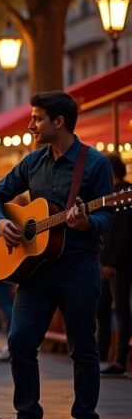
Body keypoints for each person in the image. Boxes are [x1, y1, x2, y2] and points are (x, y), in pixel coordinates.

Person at [0, 91, 113, 419]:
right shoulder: (33, 162)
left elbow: (106, 216)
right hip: (36, 272)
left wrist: (87, 222)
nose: (31, 125)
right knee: (20, 342)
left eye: (37, 118)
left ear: (59, 122)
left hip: (78, 267)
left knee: (83, 348)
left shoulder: (96, 164)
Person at [97, 154, 130, 376]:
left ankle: (119, 360)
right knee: (103, 307)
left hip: (120, 263)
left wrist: (110, 262)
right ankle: (100, 353)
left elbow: (121, 233)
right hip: (108, 261)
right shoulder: (110, 193)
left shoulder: (124, 193)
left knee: (120, 309)